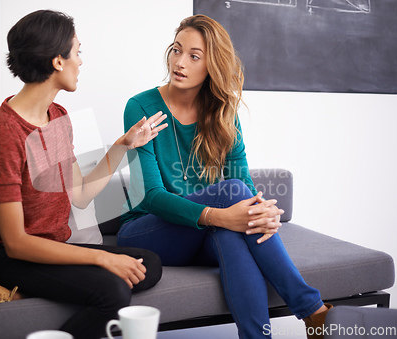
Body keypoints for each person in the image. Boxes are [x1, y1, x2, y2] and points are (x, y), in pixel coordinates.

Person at [117, 14, 332, 339]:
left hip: (205, 231)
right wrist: (220, 214)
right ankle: (314, 311)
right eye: (176, 50)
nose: (180, 62)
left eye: (193, 56)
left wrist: (264, 211)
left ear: (211, 66)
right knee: (230, 201)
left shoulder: (222, 112)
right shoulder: (141, 107)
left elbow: (244, 184)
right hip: (149, 232)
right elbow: (151, 196)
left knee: (230, 233)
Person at [0, 10, 166, 339]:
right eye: (77, 52)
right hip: (7, 256)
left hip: (53, 247)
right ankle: (10, 284)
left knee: (148, 264)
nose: (80, 61)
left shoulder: (58, 117)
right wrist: (100, 260)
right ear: (58, 61)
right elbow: (16, 243)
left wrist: (122, 145)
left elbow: (80, 194)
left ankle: (14, 291)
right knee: (113, 293)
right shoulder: (4, 133)